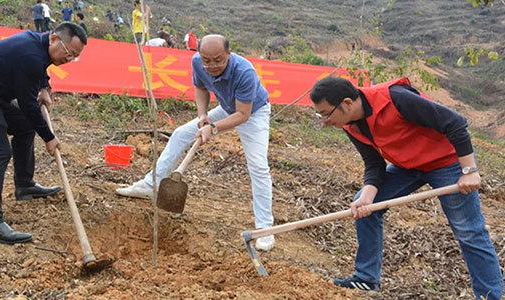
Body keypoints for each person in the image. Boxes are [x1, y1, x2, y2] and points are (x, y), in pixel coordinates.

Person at [309, 76, 503, 300]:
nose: (323, 121)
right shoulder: (350, 123)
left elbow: (455, 122)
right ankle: (366, 278)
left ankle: (489, 295)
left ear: (347, 103)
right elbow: (373, 163)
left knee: (469, 230)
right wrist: (368, 197)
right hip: (407, 165)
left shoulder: (396, 99)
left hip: (445, 162)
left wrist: (469, 170)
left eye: (325, 113)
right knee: (365, 207)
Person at [116, 34, 276, 251]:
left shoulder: (244, 71)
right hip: (227, 108)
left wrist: (214, 128)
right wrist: (203, 116)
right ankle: (150, 185)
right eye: (207, 60)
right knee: (181, 134)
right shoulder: (197, 63)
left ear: (229, 54)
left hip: (253, 112)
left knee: (258, 166)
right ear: (200, 56)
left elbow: (242, 114)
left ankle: (265, 229)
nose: (212, 65)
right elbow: (200, 88)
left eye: (219, 60)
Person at [0, 22, 87, 245]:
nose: (68, 60)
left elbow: (40, 69)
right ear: (54, 39)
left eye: (74, 57)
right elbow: (28, 105)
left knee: (24, 126)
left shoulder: (38, 44)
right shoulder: (31, 55)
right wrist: (49, 137)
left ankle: (25, 185)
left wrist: (44, 86)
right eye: (68, 53)